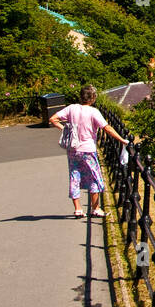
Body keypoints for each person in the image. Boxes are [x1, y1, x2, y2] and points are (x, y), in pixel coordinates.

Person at [50, 84, 132, 218]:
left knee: (74, 176)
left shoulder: (72, 108)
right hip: (88, 149)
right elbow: (107, 128)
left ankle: (78, 209)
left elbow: (53, 119)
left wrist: (66, 130)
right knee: (94, 177)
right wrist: (122, 140)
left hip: (73, 149)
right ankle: (96, 208)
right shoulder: (93, 112)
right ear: (93, 98)